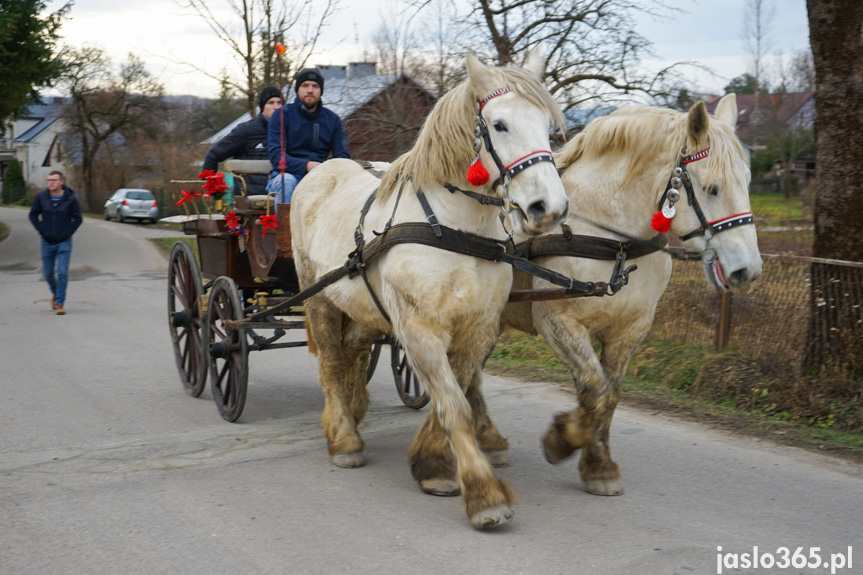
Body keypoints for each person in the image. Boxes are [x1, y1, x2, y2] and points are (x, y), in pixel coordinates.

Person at [267, 67, 350, 203]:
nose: (310, 90)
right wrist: (306, 165)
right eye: (305, 85)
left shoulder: (332, 119)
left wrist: (325, 169)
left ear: (320, 91)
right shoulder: (281, 115)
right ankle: (285, 224)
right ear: (298, 89)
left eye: (315, 86)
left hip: (322, 175)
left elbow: (343, 156)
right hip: (287, 175)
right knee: (286, 182)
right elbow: (276, 156)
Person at [202, 86, 283, 196]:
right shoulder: (246, 131)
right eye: (271, 103)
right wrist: (211, 187)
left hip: (282, 198)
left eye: (279, 103)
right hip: (248, 200)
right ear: (263, 107)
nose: (276, 107)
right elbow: (214, 154)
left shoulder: (291, 131)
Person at [28, 171, 82, 315]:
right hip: (47, 242)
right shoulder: (42, 197)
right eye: (48, 180)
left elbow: (78, 218)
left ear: (61, 182)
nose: (50, 182)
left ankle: (59, 303)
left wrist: (67, 233)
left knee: (62, 272)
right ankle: (57, 293)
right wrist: (41, 230)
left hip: (64, 242)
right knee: (48, 274)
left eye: (54, 180)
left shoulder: (70, 199)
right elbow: (33, 214)